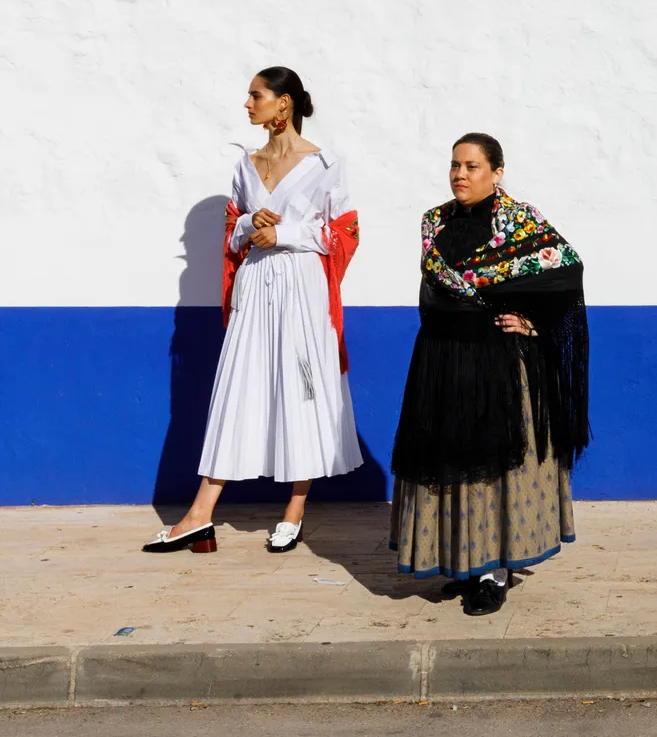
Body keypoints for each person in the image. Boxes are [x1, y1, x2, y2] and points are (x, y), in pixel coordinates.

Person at [144, 67, 362, 554]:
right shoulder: (247, 164)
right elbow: (232, 232)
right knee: (237, 389)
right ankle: (201, 514)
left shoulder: (327, 164)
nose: (247, 104)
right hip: (256, 284)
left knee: (303, 389)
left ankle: (295, 509)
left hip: (303, 287)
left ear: (283, 103)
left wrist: (284, 233)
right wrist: (247, 223)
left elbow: (345, 233)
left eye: (255, 95)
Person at [389, 133, 590, 617]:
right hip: (441, 358)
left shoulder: (518, 222)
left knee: (492, 466)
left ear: (497, 172)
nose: (460, 174)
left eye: (473, 166)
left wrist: (532, 322)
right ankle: (464, 561)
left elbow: (566, 271)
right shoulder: (435, 221)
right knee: (451, 461)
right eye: (455, 165)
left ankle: (493, 573)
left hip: (497, 361)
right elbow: (434, 286)